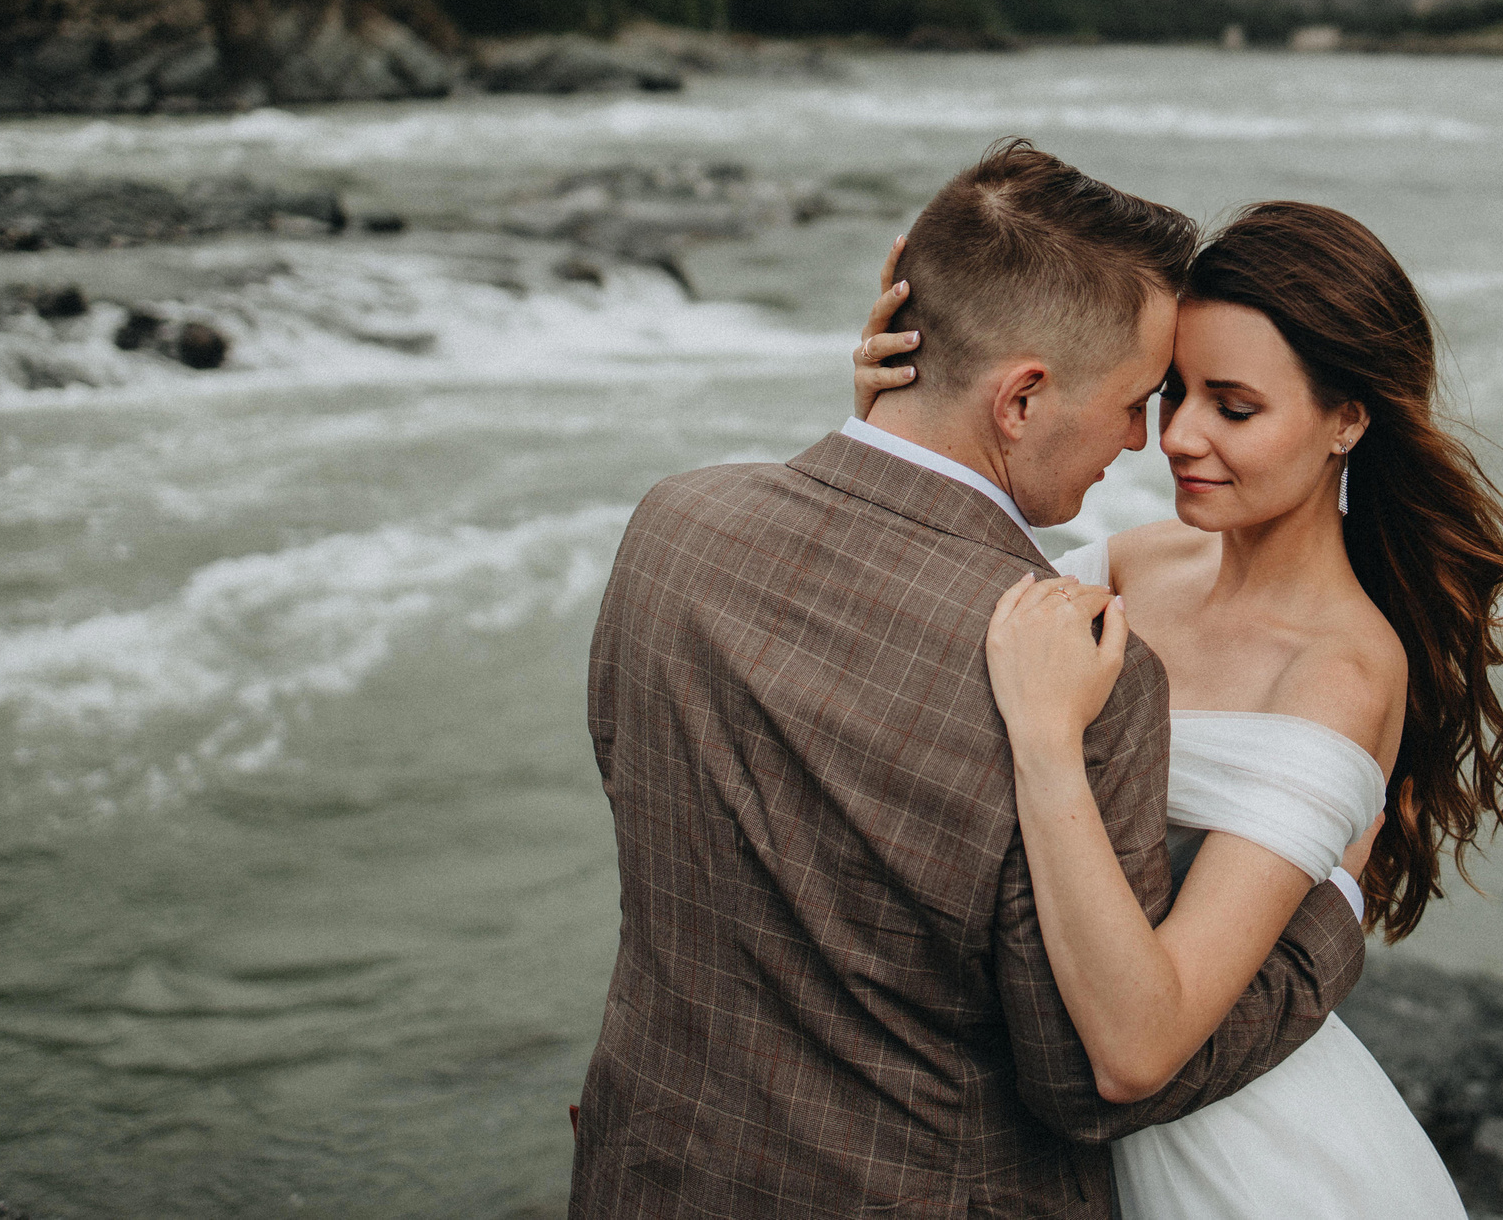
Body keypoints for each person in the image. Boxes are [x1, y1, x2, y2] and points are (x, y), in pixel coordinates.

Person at [569, 141, 1366, 1220]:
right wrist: (1332, 918)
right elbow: (1095, 1083)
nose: (1144, 442)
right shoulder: (1088, 676)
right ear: (1021, 398)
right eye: (1138, 399)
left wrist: (882, 428)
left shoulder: (671, 528)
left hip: (641, 1178)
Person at [854, 197, 1503, 1219]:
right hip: (1051, 1150)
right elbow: (903, 639)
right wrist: (892, 428)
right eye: (1172, 391)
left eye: (1233, 407)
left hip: (1237, 1169)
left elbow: (1142, 1044)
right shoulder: (1139, 564)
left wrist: (1049, 748)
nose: (1174, 436)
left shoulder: (1341, 673)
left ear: (1347, 419)